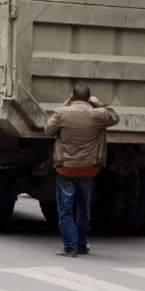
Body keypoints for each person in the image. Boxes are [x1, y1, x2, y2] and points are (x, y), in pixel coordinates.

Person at [45, 84, 119, 257]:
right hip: (88, 169)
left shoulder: (62, 113)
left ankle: (70, 247)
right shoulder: (98, 115)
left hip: (66, 169)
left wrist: (64, 106)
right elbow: (115, 117)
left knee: (65, 210)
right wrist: (99, 105)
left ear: (73, 97)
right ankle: (81, 245)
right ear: (89, 98)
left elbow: (48, 129)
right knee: (84, 210)